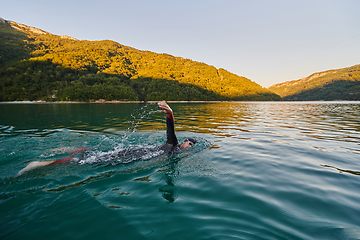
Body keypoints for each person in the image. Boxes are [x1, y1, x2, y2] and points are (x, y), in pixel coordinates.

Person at [18, 101, 196, 175]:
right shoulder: (173, 146)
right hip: (130, 155)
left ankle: (75, 150)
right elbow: (170, 130)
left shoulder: (174, 153)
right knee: (87, 163)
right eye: (189, 142)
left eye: (192, 144)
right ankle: (41, 164)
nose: (189, 144)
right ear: (183, 142)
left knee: (94, 157)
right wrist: (171, 113)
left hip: (132, 154)